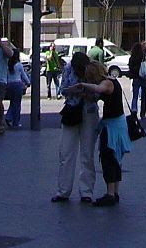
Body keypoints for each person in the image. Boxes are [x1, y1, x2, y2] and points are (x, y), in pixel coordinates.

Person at [65, 60, 131, 207]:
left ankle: (110, 194)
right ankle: (115, 192)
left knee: (108, 158)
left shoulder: (106, 83)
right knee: (115, 159)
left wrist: (82, 85)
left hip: (112, 126)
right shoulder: (112, 81)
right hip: (116, 124)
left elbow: (98, 89)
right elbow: (97, 95)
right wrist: (81, 95)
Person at [51, 52, 100, 204]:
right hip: (72, 111)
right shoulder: (68, 68)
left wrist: (85, 93)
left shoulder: (92, 69)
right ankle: (63, 191)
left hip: (88, 111)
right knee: (66, 152)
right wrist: (73, 91)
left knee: (87, 153)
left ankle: (86, 192)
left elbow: (99, 94)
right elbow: (63, 89)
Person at [5, 49, 31, 128]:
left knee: (12, 102)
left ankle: (9, 116)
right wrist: (28, 83)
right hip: (17, 84)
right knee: (17, 104)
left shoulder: (7, 65)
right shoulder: (19, 65)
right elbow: (23, 75)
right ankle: (15, 121)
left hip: (8, 85)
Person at [127, 42, 146, 120]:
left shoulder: (132, 58)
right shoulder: (144, 57)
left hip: (135, 78)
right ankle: (142, 114)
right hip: (144, 78)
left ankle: (134, 110)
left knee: (135, 96)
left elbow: (130, 68)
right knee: (143, 97)